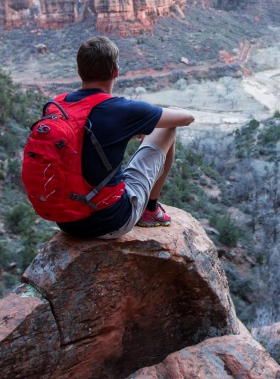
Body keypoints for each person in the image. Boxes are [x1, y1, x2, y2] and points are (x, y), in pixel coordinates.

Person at [55, 36, 195, 239]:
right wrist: (142, 125)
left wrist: (127, 132)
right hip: (111, 221)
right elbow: (186, 118)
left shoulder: (58, 106)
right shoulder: (121, 110)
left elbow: (83, 141)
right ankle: (150, 210)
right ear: (115, 71)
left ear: (79, 71)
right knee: (167, 128)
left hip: (67, 221)